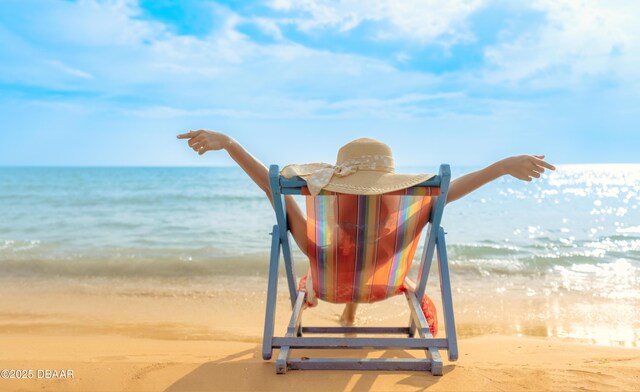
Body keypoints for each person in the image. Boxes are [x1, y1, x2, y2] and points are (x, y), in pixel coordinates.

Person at [177, 130, 556, 325]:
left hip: (329, 286)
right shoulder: (400, 232)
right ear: (391, 197)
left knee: (346, 251)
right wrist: (502, 167)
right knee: (364, 252)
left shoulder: (317, 243)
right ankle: (351, 315)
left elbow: (269, 184)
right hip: (384, 286)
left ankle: (346, 312)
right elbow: (450, 191)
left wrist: (230, 144)